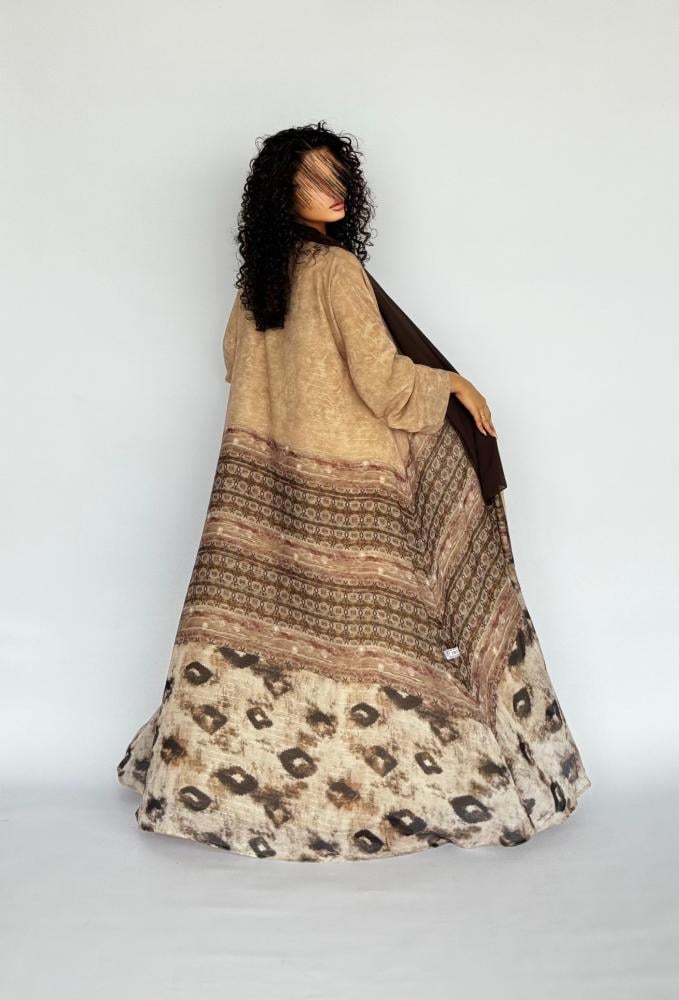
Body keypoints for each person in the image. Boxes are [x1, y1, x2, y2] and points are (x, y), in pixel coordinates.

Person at [116, 121, 591, 862]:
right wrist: (453, 384)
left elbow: (235, 363)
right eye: (313, 179)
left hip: (264, 490)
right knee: (381, 638)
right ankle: (391, 789)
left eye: (337, 176)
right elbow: (385, 384)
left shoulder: (255, 285)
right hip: (354, 488)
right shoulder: (337, 272)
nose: (332, 191)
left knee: (276, 628)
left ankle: (245, 785)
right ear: (283, 193)